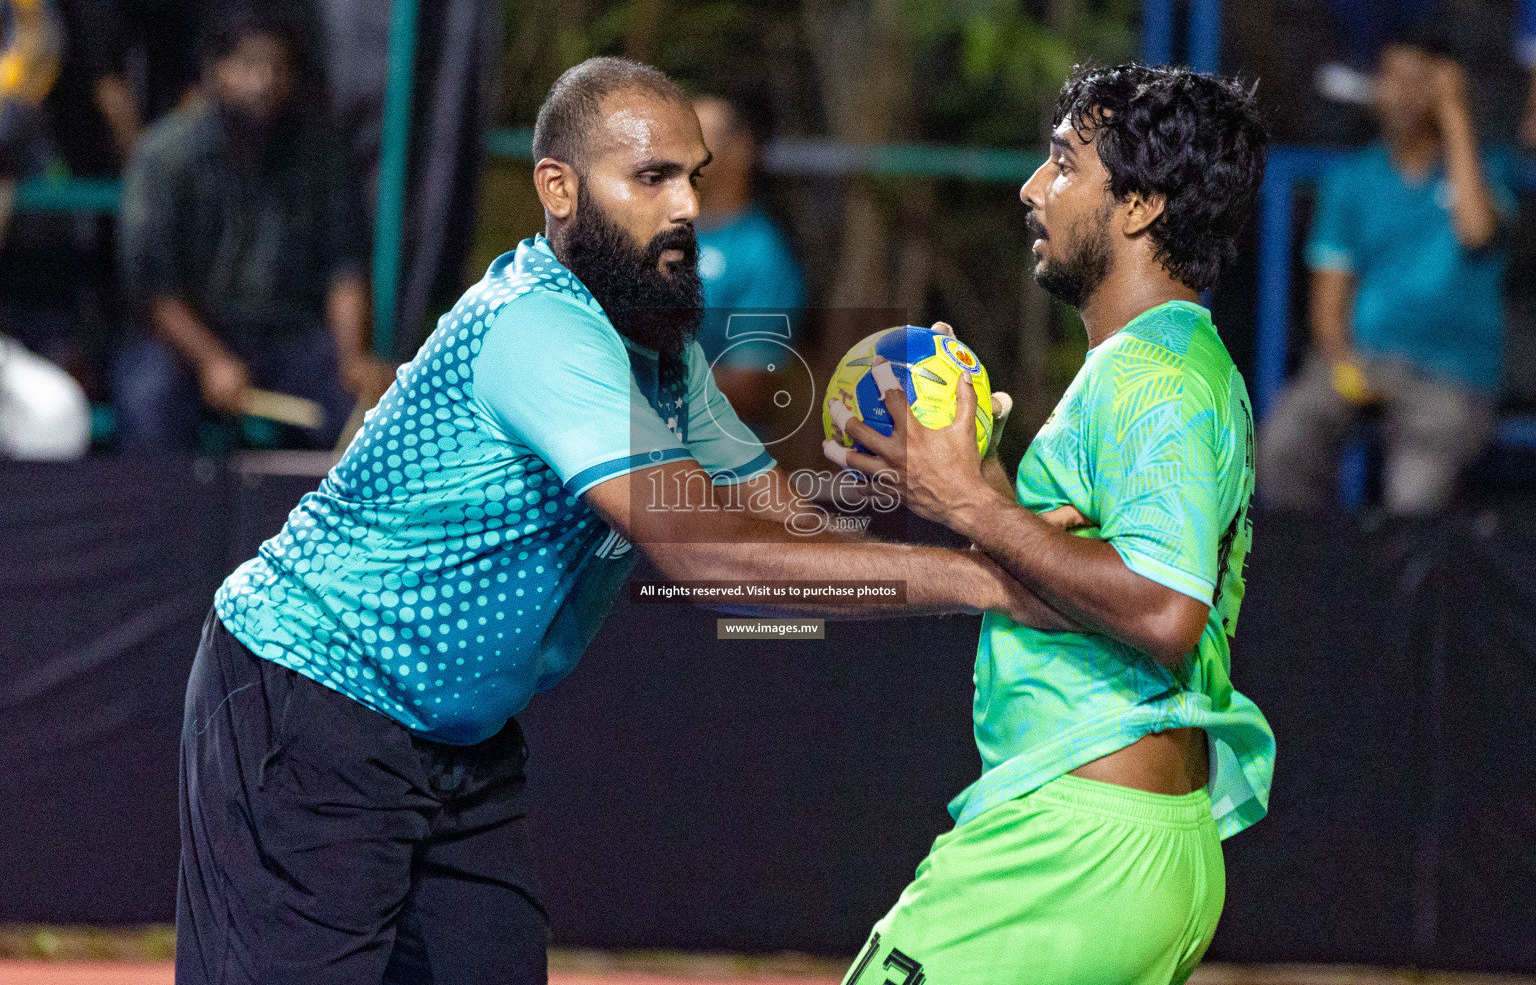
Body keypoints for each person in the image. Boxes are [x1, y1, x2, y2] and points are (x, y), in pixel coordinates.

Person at [177, 56, 1070, 985]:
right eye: (651, 178)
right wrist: (985, 582)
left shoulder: (660, 345)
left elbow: (778, 525)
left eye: (693, 173)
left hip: (457, 746)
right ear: (557, 189)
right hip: (312, 701)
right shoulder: (537, 330)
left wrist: (964, 504)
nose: (686, 203)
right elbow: (705, 554)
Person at [824, 64, 1274, 985]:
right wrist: (973, 473)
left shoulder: (1158, 382)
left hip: (1076, 851)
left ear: (1141, 206)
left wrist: (971, 503)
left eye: (1065, 165)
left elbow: (1163, 609)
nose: (1034, 189)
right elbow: (1094, 572)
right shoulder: (1164, 362)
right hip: (1129, 845)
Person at [111, 3, 395, 452]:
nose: (263, 81)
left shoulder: (320, 154)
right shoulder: (164, 156)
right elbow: (155, 292)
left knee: (370, 410)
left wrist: (352, 356)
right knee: (147, 396)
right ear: (216, 69)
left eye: (276, 67)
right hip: (187, 344)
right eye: (248, 64)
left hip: (286, 338)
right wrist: (212, 361)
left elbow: (344, 269)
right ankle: (154, 521)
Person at [1260, 39, 1512, 514]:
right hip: (1366, 363)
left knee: (1412, 498)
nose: (1400, 93)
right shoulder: (1352, 179)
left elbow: (1477, 231)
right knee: (1283, 444)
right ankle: (1319, 574)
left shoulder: (1485, 168)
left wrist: (1455, 115)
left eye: (1418, 80)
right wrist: (1343, 364)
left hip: (1451, 376)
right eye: (1390, 78)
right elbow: (1328, 305)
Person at [690, 95, 806, 422]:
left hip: (714, 464)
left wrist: (637, 383)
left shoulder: (763, 254)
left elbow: (749, 386)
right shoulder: (649, 236)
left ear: (741, 148)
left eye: (701, 132)